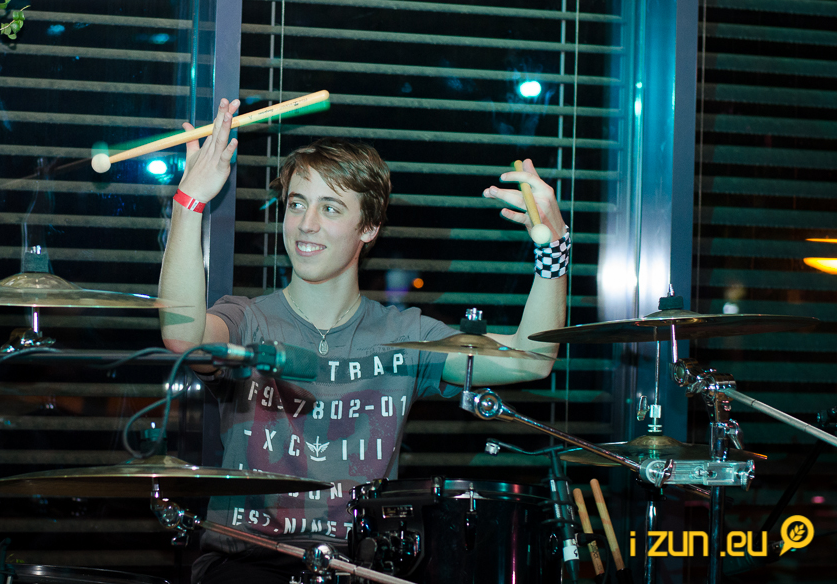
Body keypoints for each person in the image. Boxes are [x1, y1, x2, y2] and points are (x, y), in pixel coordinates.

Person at [158, 99, 571, 584]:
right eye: (297, 204)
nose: (306, 224)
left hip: (359, 568)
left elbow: (531, 360)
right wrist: (189, 203)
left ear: (369, 227)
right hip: (246, 566)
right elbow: (182, 335)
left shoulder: (403, 336)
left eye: (330, 208)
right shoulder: (248, 321)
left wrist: (554, 247)